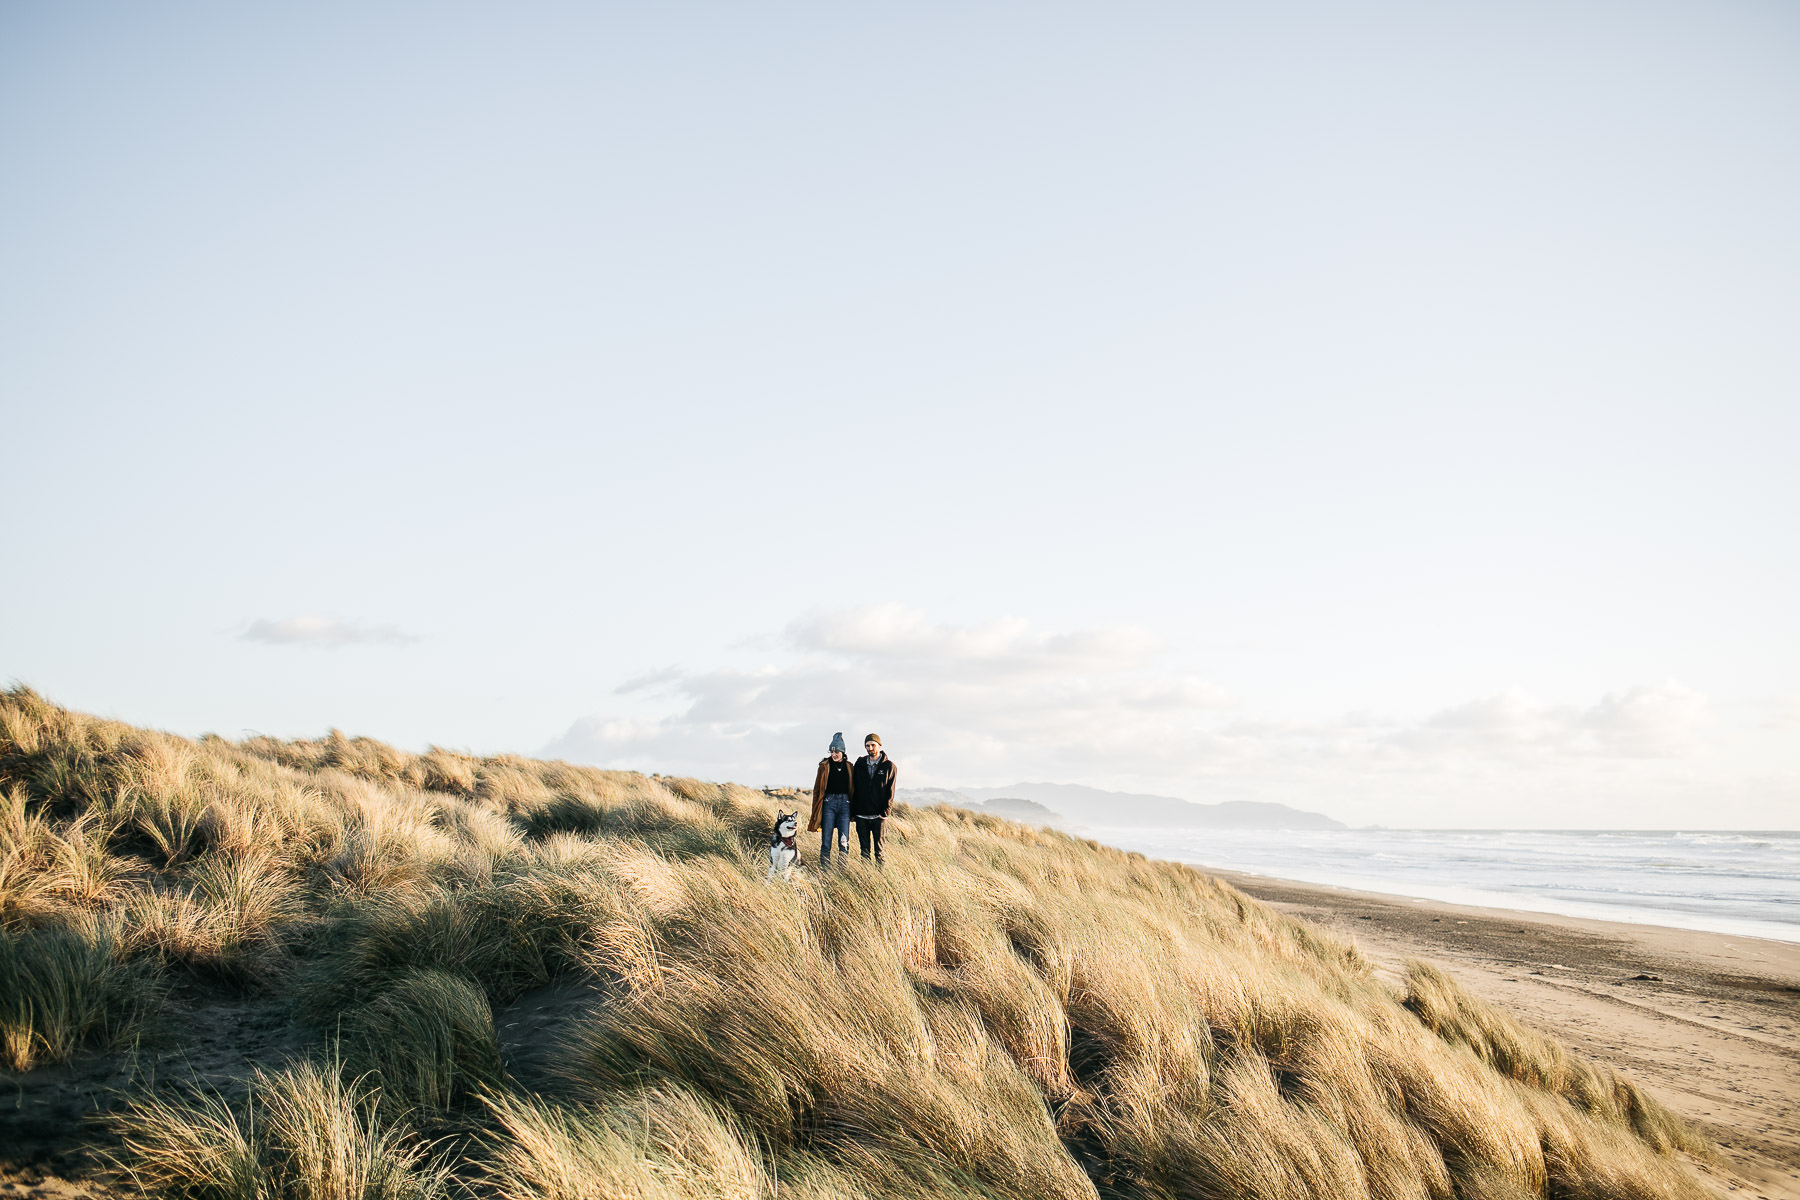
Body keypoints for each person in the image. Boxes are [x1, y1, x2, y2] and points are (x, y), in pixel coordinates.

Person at [807, 732, 855, 868]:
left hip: (845, 804)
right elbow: (817, 790)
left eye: (837, 751)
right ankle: (825, 871)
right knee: (826, 840)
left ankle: (842, 871)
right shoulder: (824, 766)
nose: (834, 754)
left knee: (844, 841)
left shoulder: (850, 767)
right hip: (828, 804)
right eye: (832, 751)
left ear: (843, 752)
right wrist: (815, 811)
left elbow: (853, 790)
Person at [852, 733, 896, 863]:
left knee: (879, 853)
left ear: (879, 746)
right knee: (864, 853)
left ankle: (880, 880)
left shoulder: (889, 766)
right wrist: (854, 813)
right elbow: (854, 788)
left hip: (879, 817)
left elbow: (890, 792)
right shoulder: (859, 764)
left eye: (873, 745)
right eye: (867, 745)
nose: (870, 748)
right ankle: (866, 880)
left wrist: (885, 813)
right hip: (861, 816)